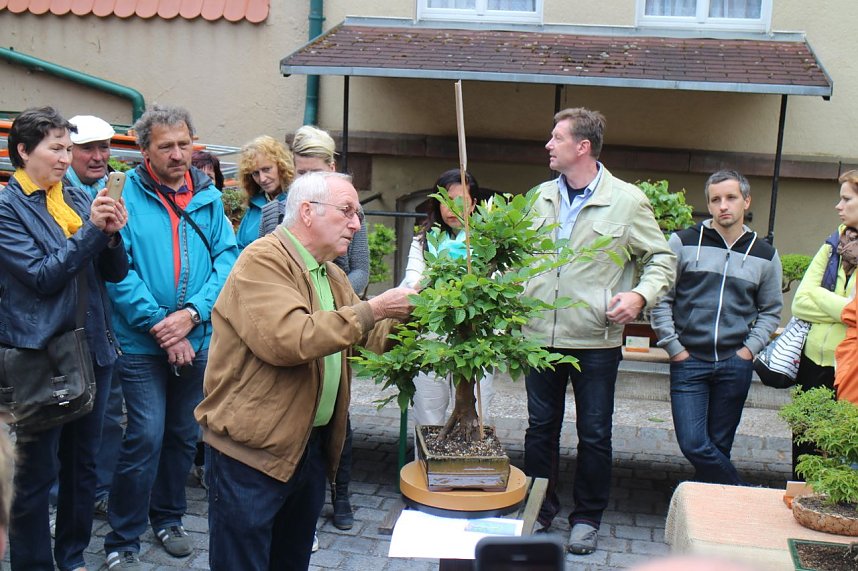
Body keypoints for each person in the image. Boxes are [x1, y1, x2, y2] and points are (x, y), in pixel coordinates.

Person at [195, 171, 415, 570]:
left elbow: (371, 336)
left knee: (290, 561)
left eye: (358, 214)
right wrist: (377, 307)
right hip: (252, 452)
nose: (356, 224)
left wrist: (421, 315)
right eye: (348, 211)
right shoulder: (262, 260)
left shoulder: (331, 273)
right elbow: (290, 340)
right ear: (308, 212)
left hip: (308, 448)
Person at [521, 107, 675, 555]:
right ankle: (538, 510)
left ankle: (586, 518)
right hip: (540, 338)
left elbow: (661, 259)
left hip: (596, 341)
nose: (548, 145)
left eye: (556, 138)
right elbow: (517, 260)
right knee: (539, 431)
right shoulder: (537, 198)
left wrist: (640, 297)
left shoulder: (627, 200)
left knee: (594, 433)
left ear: (582, 147)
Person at [102, 105, 238, 569]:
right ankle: (122, 538)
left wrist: (193, 315)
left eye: (185, 144)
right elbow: (117, 271)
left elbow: (228, 259)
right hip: (142, 343)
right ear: (144, 150)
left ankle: (169, 517)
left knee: (182, 435)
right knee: (144, 435)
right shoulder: (123, 197)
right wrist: (165, 326)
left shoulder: (209, 197)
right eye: (166, 146)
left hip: (197, 339)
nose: (179, 154)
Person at [0, 106, 128, 571]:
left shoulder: (73, 198)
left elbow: (115, 273)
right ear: (23, 151)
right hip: (45, 358)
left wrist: (111, 236)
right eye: (56, 148)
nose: (64, 157)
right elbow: (41, 277)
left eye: (67, 148)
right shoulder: (6, 209)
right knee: (36, 475)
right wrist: (93, 231)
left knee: (84, 468)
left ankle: (71, 557)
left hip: (93, 348)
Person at [258, 125, 370, 535]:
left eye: (314, 169)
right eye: (299, 171)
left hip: (335, 328)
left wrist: (359, 306)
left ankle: (340, 495)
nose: (354, 222)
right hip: (271, 423)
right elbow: (289, 329)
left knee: (338, 420)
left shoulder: (333, 265)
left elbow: (360, 270)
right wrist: (359, 312)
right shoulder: (270, 244)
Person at [651, 170, 783, 485]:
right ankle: (741, 492)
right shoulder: (682, 242)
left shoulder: (764, 255)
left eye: (731, 198)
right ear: (709, 205)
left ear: (746, 201)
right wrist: (674, 348)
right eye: (715, 199)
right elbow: (661, 299)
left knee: (719, 447)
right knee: (694, 443)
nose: (723, 205)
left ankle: (706, 514)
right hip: (689, 361)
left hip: (734, 363)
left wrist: (748, 350)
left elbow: (771, 310)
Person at [400, 168, 495, 425]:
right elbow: (413, 285)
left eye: (461, 201)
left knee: (476, 413)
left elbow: (494, 289)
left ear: (474, 204)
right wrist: (443, 265)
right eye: (446, 201)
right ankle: (427, 465)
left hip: (476, 341)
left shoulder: (488, 242)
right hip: (431, 337)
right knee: (428, 414)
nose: (453, 209)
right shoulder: (423, 240)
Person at [66, 114, 125, 518]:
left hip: (104, 331)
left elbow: (116, 271)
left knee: (106, 421)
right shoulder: (56, 195)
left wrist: (113, 235)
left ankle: (96, 494)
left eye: (104, 147)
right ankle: (63, 503)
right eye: (88, 147)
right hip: (65, 335)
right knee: (64, 429)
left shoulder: (105, 192)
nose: (99, 155)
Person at [791, 169, 858, 474]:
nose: (838, 206)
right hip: (811, 363)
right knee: (803, 451)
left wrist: (823, 299)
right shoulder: (833, 244)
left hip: (848, 369)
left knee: (838, 455)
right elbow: (800, 301)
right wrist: (847, 310)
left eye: (846, 199)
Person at [235, 135, 294, 250]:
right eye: (255, 173)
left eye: (266, 169)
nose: (262, 179)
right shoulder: (254, 206)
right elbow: (238, 247)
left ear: (281, 166)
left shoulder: (295, 202)